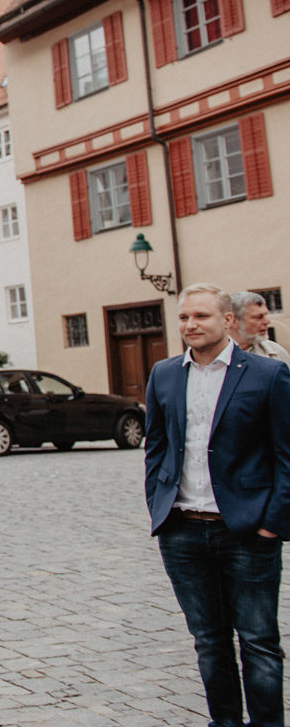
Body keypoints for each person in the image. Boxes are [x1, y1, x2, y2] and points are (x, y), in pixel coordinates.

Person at [145, 283, 290, 727]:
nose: (190, 325)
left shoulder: (267, 375)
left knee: (258, 640)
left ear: (227, 321)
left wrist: (272, 524)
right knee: (209, 641)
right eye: (184, 317)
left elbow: (287, 455)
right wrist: (160, 508)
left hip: (247, 531)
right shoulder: (164, 374)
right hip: (183, 531)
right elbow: (156, 447)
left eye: (200, 317)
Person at [229, 290, 290, 365]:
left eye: (265, 315)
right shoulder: (214, 353)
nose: (267, 322)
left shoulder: (276, 352)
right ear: (234, 321)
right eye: (259, 317)